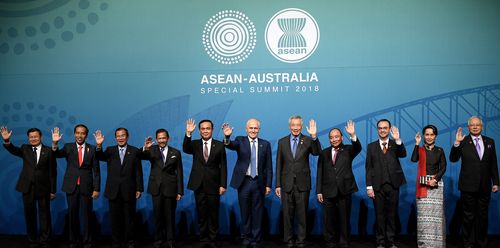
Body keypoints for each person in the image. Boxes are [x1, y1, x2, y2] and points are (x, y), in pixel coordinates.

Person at [1, 126, 56, 248]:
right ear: (28, 138)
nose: (33, 139)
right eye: (31, 137)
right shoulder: (24, 149)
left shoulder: (49, 151)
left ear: (40, 137)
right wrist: (6, 141)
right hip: (27, 187)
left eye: (35, 136)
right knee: (29, 215)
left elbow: (53, 172)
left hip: (44, 187)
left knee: (45, 215)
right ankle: (33, 240)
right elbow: (13, 150)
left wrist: (53, 190)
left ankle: (45, 240)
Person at [222, 118, 273, 248]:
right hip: (244, 182)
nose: (253, 130)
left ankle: (256, 238)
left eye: (256, 128)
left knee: (257, 212)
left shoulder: (265, 144)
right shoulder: (240, 140)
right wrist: (227, 137)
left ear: (259, 130)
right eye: (251, 128)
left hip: (258, 183)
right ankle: (246, 236)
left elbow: (268, 167)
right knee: (245, 211)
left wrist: (268, 185)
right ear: (246, 129)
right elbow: (230, 145)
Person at [449, 116, 498, 248]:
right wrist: (456, 143)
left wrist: (496, 182)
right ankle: (468, 243)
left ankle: (481, 242)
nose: (475, 127)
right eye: (472, 125)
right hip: (467, 185)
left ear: (482, 126)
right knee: (468, 216)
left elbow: (493, 163)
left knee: (482, 216)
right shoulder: (463, 141)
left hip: (485, 186)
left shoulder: (490, 141)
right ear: (468, 127)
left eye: (478, 125)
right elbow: (453, 158)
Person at [275, 115, 321, 248]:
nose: (295, 128)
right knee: (287, 215)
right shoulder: (282, 141)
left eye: (298, 125)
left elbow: (317, 152)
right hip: (286, 183)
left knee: (302, 214)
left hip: (302, 184)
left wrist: (314, 137)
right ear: (290, 126)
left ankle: (301, 240)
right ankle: (288, 239)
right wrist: (278, 184)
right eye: (293, 125)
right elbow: (279, 163)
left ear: (301, 126)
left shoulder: (307, 140)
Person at [51, 125, 100, 248]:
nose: (79, 135)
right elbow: (56, 154)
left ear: (86, 135)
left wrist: (96, 188)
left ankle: (87, 241)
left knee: (87, 215)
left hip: (87, 187)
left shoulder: (92, 149)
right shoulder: (68, 147)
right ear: (74, 134)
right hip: (71, 186)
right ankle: (73, 241)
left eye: (82, 133)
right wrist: (55, 143)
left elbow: (96, 171)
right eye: (77, 133)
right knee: (72, 215)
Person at [94, 128, 144, 248]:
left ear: (127, 137)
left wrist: (139, 188)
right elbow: (99, 156)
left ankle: (130, 242)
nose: (120, 138)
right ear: (115, 138)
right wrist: (99, 145)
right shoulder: (110, 150)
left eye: (123, 136)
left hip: (129, 190)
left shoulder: (134, 151)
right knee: (115, 220)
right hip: (113, 191)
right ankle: (116, 242)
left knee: (129, 219)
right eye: (118, 136)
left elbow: (138, 171)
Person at [316, 120, 361, 248]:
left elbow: (358, 147)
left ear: (341, 137)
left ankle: (344, 242)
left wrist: (353, 135)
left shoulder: (348, 149)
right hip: (328, 190)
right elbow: (320, 171)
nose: (334, 139)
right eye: (331, 137)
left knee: (344, 218)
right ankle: (330, 241)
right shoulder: (324, 153)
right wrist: (319, 191)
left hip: (345, 189)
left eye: (336, 137)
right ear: (329, 139)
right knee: (329, 219)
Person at [183, 119, 227, 248]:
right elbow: (185, 148)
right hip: (199, 184)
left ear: (212, 130)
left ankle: (213, 237)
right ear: (199, 130)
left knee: (213, 213)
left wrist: (223, 184)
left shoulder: (219, 145)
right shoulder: (195, 144)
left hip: (214, 184)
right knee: (201, 212)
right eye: (203, 128)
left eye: (208, 128)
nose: (205, 131)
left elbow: (223, 166)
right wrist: (188, 134)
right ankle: (203, 236)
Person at [365, 119, 406, 248]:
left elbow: (403, 154)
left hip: (393, 184)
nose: (382, 130)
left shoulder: (395, 144)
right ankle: (380, 242)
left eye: (385, 128)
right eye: (380, 128)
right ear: (378, 130)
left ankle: (391, 241)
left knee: (392, 214)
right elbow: (369, 167)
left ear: (389, 129)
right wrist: (369, 187)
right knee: (379, 215)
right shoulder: (371, 146)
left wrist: (398, 140)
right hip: (377, 186)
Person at [142, 128, 184, 248]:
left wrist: (180, 191)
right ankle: (158, 240)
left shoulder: (175, 152)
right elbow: (141, 156)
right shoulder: (152, 150)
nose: (161, 140)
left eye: (163, 138)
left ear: (168, 138)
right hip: (156, 188)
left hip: (171, 188)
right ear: (156, 139)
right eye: (159, 138)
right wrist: (146, 147)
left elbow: (179, 172)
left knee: (170, 216)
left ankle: (170, 240)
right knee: (158, 215)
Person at [411, 125, 446, 248]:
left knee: (436, 216)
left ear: (435, 136)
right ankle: (424, 244)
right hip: (423, 186)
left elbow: (443, 167)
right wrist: (416, 144)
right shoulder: (420, 150)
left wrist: (435, 179)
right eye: (427, 134)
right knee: (423, 217)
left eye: (432, 134)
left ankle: (437, 244)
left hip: (436, 185)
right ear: (423, 136)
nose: (429, 137)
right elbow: (414, 159)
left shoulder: (440, 150)